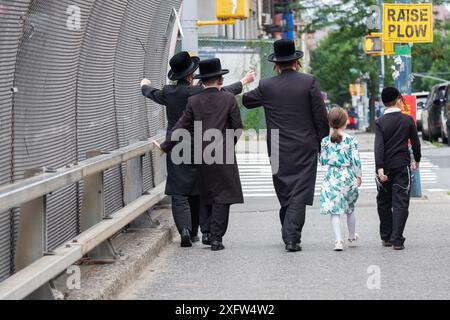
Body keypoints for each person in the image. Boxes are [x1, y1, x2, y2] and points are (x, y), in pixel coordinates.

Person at [141, 52, 254, 248]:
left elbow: (154, 95)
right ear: (190, 76)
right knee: (205, 190)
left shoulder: (169, 92)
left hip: (180, 147)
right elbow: (225, 97)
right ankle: (206, 232)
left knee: (179, 190)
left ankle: (189, 230)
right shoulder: (205, 94)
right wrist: (243, 81)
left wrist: (143, 85)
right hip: (207, 148)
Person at [242, 39, 330, 252]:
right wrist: (323, 140)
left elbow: (246, 101)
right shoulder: (309, 82)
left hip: (277, 147)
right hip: (305, 145)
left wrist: (245, 83)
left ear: (276, 65)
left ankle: (289, 231)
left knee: (285, 190)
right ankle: (291, 236)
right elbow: (320, 115)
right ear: (297, 62)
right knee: (300, 191)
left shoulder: (267, 86)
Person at [375, 87, 421, 251]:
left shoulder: (380, 122)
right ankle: (397, 239)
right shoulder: (407, 120)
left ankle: (386, 236)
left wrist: (380, 168)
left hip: (385, 168)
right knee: (401, 201)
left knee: (384, 201)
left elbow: (378, 147)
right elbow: (415, 143)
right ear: (398, 100)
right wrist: (417, 159)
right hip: (401, 166)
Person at [320, 107, 362, 251]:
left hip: (332, 178)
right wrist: (359, 176)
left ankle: (338, 241)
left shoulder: (325, 141)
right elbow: (356, 161)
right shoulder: (351, 140)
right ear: (345, 122)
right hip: (348, 177)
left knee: (335, 211)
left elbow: (323, 161)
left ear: (330, 123)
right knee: (350, 209)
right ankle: (351, 236)